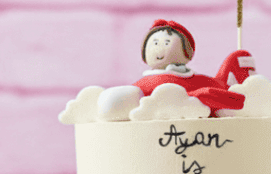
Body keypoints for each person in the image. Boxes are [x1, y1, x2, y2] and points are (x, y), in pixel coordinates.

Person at [97, 20, 256, 120]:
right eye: (155, 43)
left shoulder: (178, 86)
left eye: (166, 43)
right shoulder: (144, 86)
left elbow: (206, 96)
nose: (159, 48)